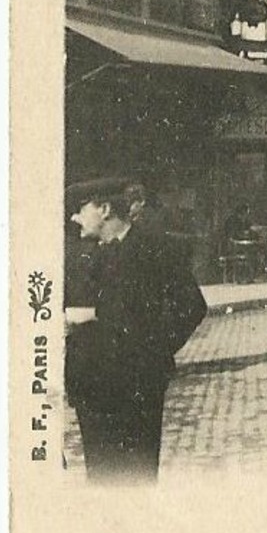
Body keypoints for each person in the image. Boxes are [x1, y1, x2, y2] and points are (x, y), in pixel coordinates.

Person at [65, 178, 208, 481]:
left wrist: (152, 351)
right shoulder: (80, 255)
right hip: (90, 388)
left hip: (137, 387)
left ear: (104, 209)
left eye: (80, 209)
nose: (74, 217)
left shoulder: (155, 248)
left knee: (136, 481)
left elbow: (192, 306)